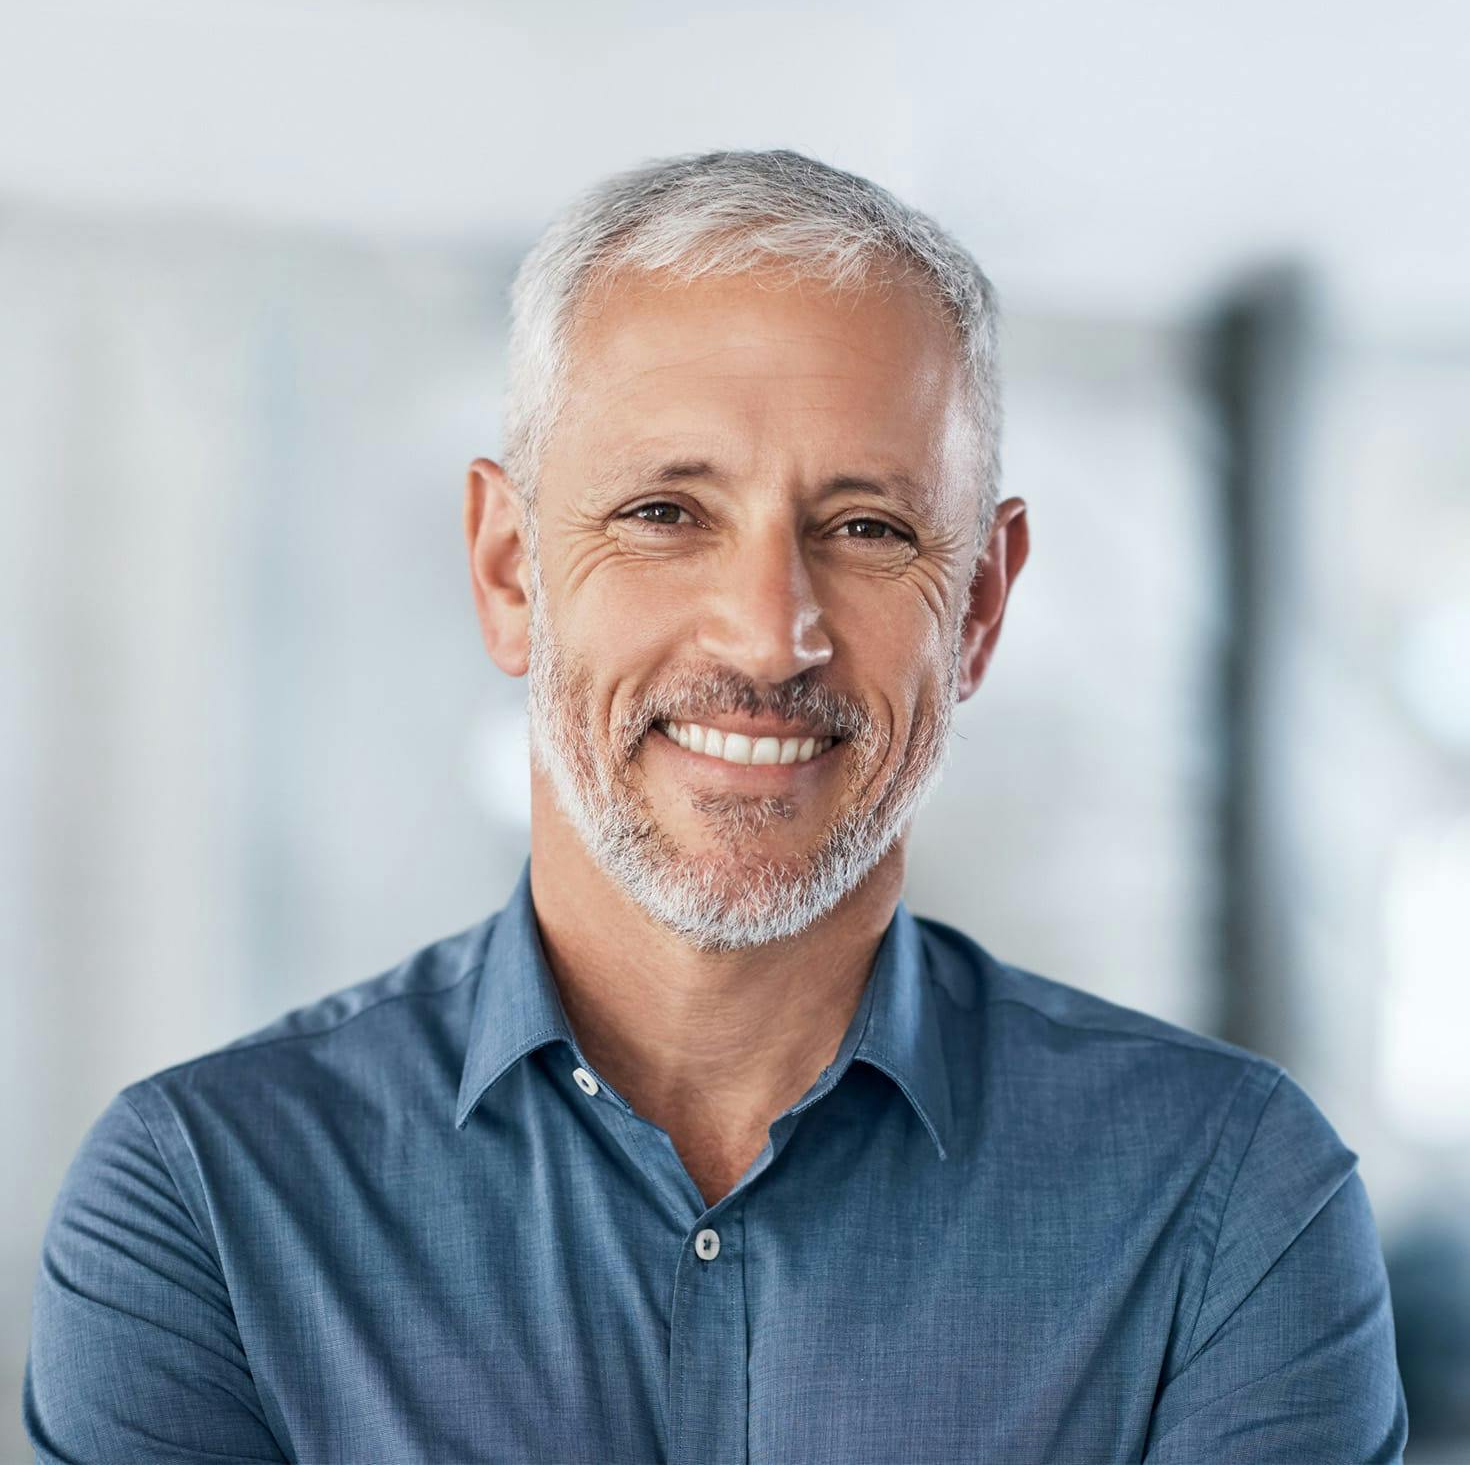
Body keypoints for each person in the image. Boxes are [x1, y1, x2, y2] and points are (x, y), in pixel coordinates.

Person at [24, 150, 1408, 1463]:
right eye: (663, 514)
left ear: (978, 606)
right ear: (509, 570)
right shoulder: (207, 1202)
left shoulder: (1225, 1203)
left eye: (866, 527)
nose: (765, 636)